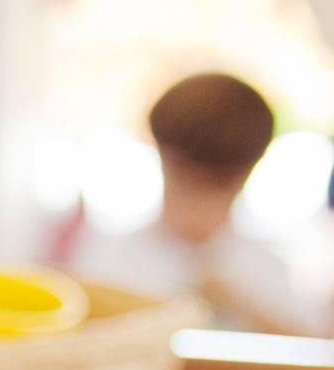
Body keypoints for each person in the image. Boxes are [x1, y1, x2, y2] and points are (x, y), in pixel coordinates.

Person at [67, 72, 310, 334]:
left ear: (244, 177)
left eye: (214, 190)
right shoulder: (110, 255)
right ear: (163, 162)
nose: (196, 209)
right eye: (184, 184)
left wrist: (237, 300)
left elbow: (305, 352)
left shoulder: (265, 265)